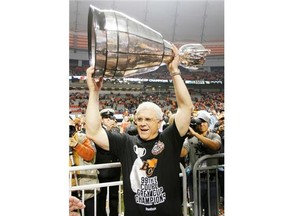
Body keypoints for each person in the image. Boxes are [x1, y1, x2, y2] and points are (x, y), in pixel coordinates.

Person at [85, 44, 193, 216]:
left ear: (159, 122)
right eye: (139, 119)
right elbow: (92, 131)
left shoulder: (169, 138)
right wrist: (93, 93)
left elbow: (186, 107)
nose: (142, 123)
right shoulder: (127, 143)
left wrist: (174, 72)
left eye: (148, 119)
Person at [180, 110, 222, 216]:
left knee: (212, 210)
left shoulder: (213, 136)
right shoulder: (190, 138)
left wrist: (196, 135)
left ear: (208, 123)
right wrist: (181, 137)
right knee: (196, 210)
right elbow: (182, 153)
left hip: (212, 179)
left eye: (204, 122)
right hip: (196, 180)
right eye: (199, 122)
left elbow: (215, 146)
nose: (202, 124)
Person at [69, 119, 99, 216]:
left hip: (85, 186)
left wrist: (76, 145)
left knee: (89, 211)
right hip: (70, 187)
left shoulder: (81, 138)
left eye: (70, 127)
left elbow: (90, 155)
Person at [95, 108, 121, 216]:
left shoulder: (116, 130)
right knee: (102, 196)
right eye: (106, 118)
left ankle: (114, 214)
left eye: (110, 118)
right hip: (104, 169)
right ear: (101, 120)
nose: (109, 120)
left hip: (114, 169)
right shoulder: (99, 131)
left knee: (114, 196)